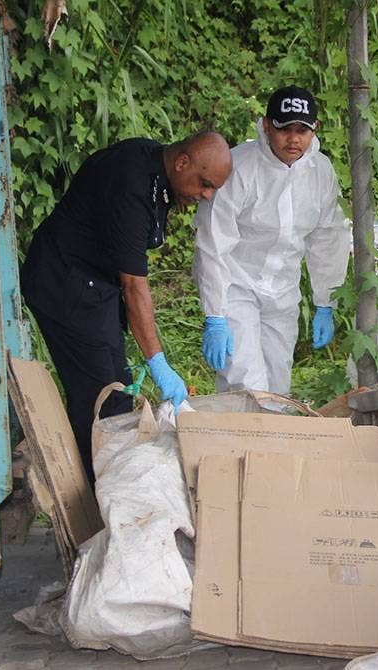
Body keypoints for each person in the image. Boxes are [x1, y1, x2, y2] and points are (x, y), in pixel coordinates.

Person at [21, 131, 233, 483]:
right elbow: (134, 287)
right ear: (182, 163)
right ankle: (94, 496)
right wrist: (157, 362)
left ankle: (107, 484)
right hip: (64, 282)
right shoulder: (130, 185)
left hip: (96, 283)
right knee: (102, 401)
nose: (207, 195)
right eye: (205, 184)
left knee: (116, 390)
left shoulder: (156, 168)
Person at [192, 86, 349, 395]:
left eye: (302, 130)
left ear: (315, 129)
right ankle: (243, 430)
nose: (293, 139)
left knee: (278, 386)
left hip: (283, 293)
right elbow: (213, 244)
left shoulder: (320, 171)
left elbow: (328, 236)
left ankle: (272, 429)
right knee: (245, 387)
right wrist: (216, 314)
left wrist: (325, 302)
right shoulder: (239, 167)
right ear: (266, 125)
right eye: (284, 129)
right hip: (236, 287)